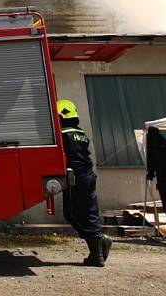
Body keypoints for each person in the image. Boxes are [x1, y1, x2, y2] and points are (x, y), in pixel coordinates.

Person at [57, 99, 112, 267]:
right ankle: (96, 257)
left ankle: (99, 239)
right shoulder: (80, 133)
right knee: (90, 213)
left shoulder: (63, 135)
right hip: (88, 176)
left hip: (76, 177)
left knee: (72, 214)